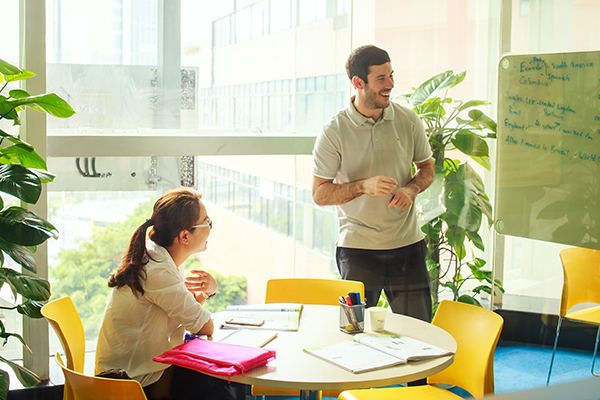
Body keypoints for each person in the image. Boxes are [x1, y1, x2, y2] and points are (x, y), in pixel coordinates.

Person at [312, 45, 435, 323]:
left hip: (408, 246)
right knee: (353, 332)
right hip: (358, 250)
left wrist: (411, 188)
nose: (390, 84)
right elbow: (319, 193)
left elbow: (427, 168)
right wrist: (363, 186)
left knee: (420, 332)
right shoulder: (333, 131)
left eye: (391, 75)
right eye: (381, 78)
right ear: (358, 83)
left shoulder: (408, 119)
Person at [95, 187, 247, 400]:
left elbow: (183, 310)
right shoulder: (157, 270)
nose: (211, 228)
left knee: (218, 380)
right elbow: (204, 325)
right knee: (223, 384)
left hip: (139, 369)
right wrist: (205, 298)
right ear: (185, 236)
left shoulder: (155, 256)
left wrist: (209, 292)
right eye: (207, 222)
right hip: (131, 382)